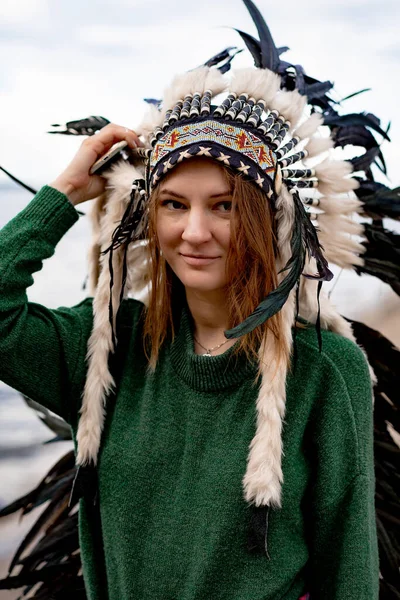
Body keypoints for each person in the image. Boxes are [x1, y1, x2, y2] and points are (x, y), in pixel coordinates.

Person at [0, 2, 381, 599]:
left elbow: (349, 571)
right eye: (174, 203)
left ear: (271, 221)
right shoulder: (107, 348)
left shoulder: (326, 372)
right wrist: (64, 192)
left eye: (225, 205)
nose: (194, 232)